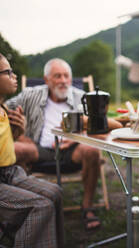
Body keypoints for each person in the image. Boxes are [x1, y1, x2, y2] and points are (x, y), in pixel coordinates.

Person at [6, 58, 102, 231]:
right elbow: (4, 107)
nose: (63, 81)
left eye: (66, 76)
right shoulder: (30, 94)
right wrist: (19, 134)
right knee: (15, 148)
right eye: (57, 76)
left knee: (93, 150)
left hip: (71, 150)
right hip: (38, 149)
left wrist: (78, 136)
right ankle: (22, 206)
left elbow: (97, 126)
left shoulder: (82, 98)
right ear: (46, 80)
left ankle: (87, 206)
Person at [0, 53, 64, 247]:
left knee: (55, 193)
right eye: (8, 72)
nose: (14, 76)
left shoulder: (3, 108)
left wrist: (17, 132)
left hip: (9, 172)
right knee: (41, 206)